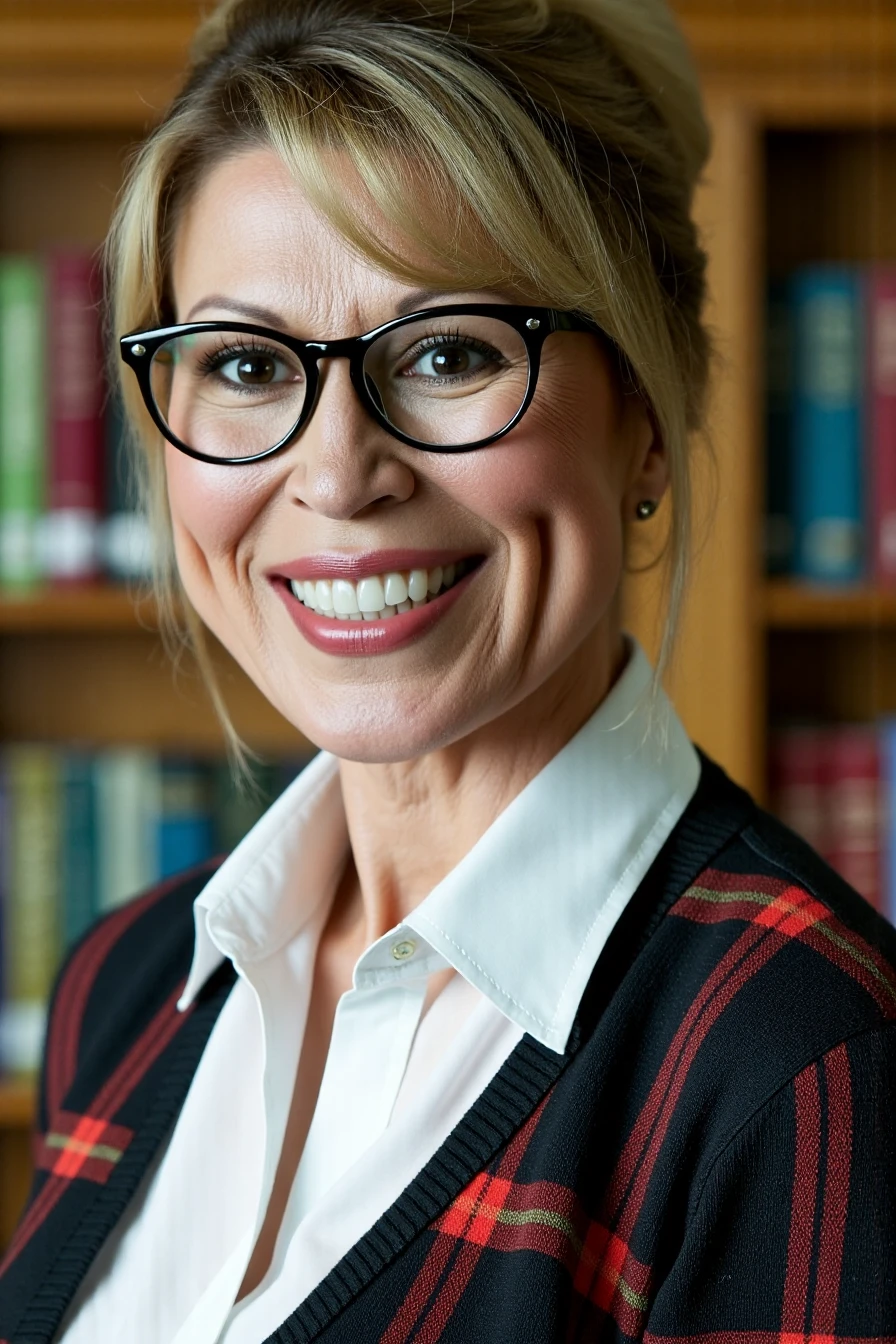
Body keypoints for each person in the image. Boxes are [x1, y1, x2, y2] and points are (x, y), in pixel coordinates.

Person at [2, 0, 895, 1340]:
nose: (339, 474)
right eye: (244, 364)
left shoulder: (811, 1068)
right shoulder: (124, 987)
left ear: (644, 422)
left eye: (448, 354)